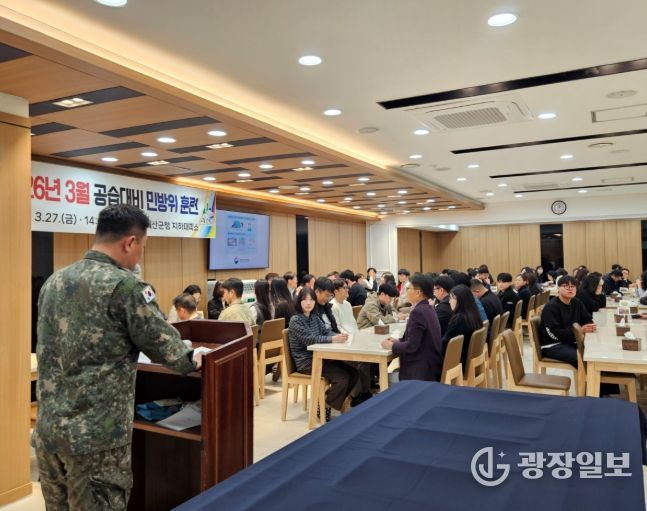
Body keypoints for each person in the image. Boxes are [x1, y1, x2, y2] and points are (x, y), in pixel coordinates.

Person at [34, 204, 200, 510]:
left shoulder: (54, 282)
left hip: (49, 433)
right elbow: (171, 352)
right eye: (143, 248)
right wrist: (194, 356)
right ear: (130, 242)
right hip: (96, 440)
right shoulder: (126, 287)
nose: (140, 256)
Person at [288, 288, 358, 417]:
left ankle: (327, 400)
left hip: (321, 358)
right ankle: (325, 406)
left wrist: (338, 336)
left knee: (354, 373)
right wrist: (333, 339)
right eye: (305, 300)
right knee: (342, 377)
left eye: (311, 300)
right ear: (299, 302)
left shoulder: (314, 317)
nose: (308, 303)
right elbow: (310, 340)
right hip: (307, 363)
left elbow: (326, 332)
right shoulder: (295, 320)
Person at [381, 275, 442, 381]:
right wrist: (399, 341)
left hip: (420, 373)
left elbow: (412, 346)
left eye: (408, 288)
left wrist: (392, 346)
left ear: (418, 293)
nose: (406, 291)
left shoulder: (418, 312)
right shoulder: (429, 308)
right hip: (430, 366)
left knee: (384, 379)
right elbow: (418, 339)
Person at [539, 275, 595, 366]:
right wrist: (580, 331)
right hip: (552, 345)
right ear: (558, 288)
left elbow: (587, 319)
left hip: (571, 341)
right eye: (566, 286)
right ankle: (587, 375)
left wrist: (589, 326)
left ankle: (594, 375)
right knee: (582, 358)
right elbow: (555, 333)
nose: (570, 289)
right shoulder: (551, 307)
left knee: (594, 354)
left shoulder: (577, 302)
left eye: (573, 286)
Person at [441, 284, 483, 375]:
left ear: (460, 300)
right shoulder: (473, 314)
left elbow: (445, 343)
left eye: (452, 298)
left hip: (458, 364)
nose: (449, 301)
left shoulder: (460, 319)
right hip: (466, 359)